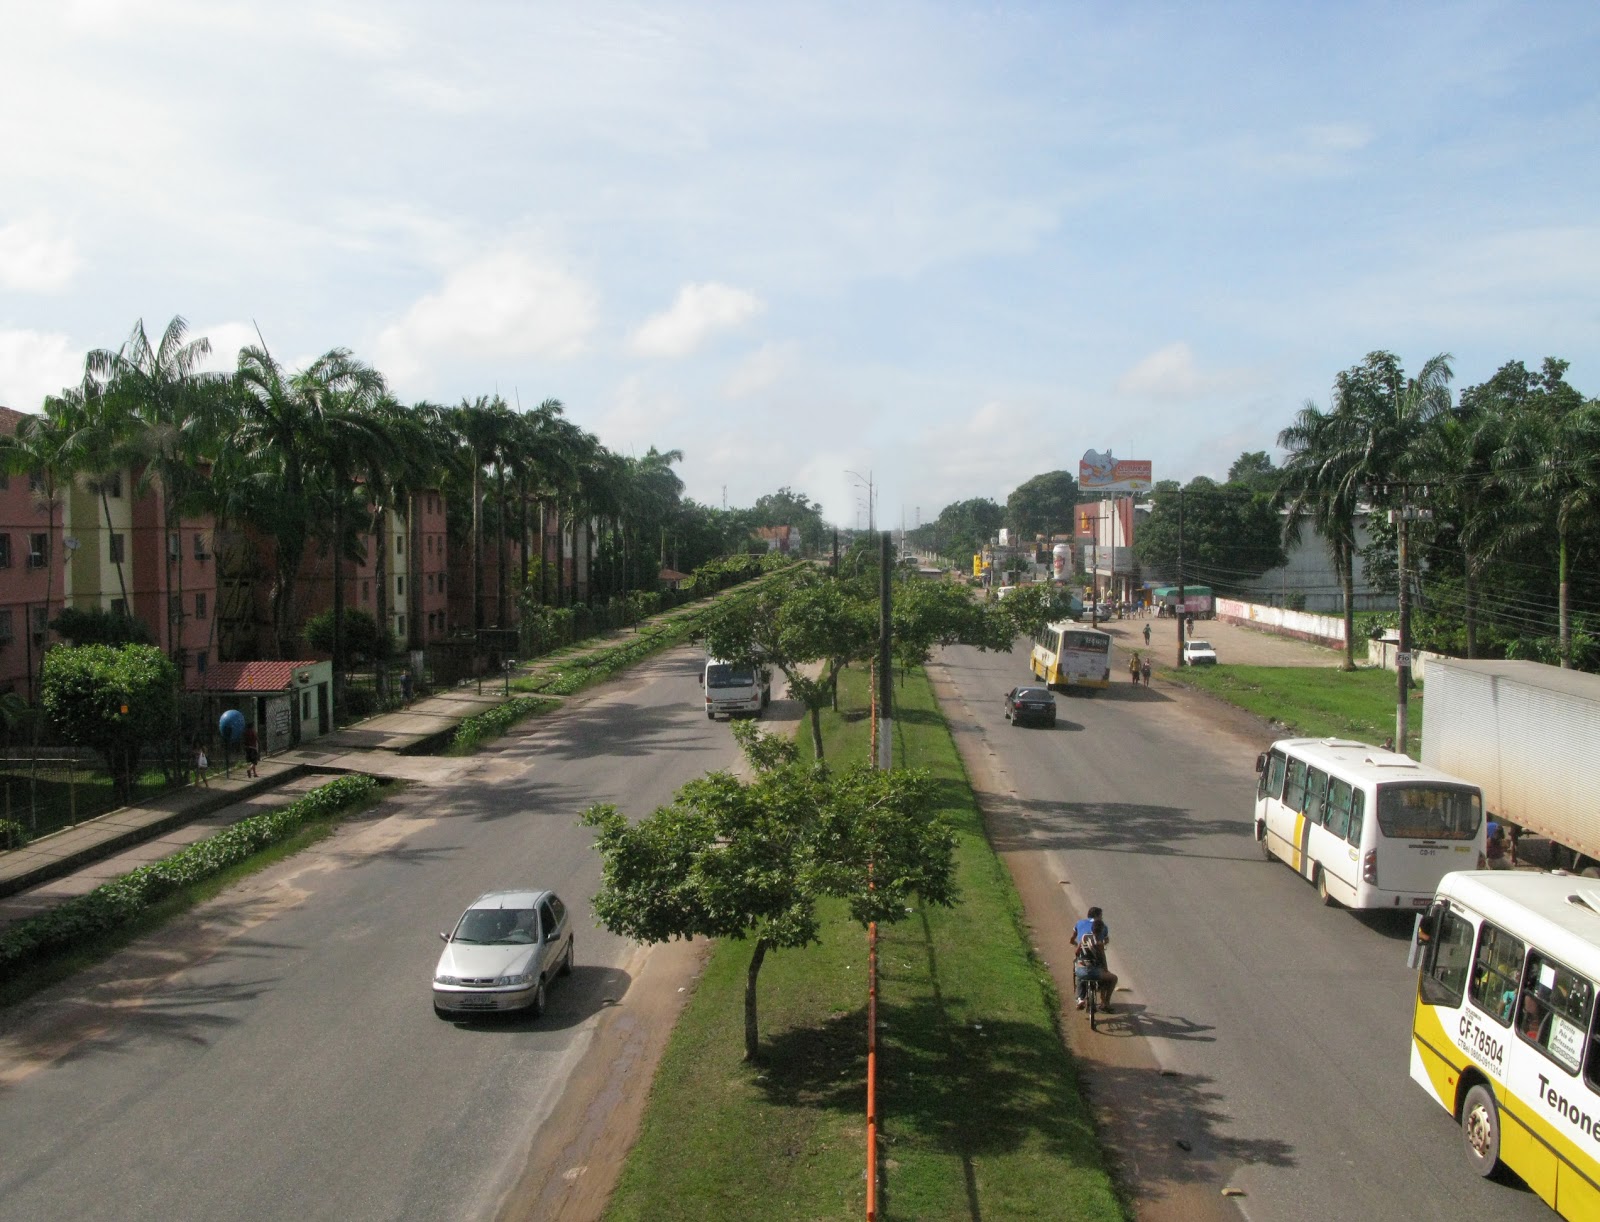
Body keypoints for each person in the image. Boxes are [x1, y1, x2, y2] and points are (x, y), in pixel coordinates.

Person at [1071, 906, 1118, 1012]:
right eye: (1101, 916)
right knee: (1111, 978)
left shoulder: (1084, 937)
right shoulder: (1100, 941)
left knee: (1079, 973)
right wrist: (1105, 969)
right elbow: (1102, 957)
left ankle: (1080, 998)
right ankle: (1105, 1003)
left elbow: (1076, 951)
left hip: (1081, 969)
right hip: (1096, 971)